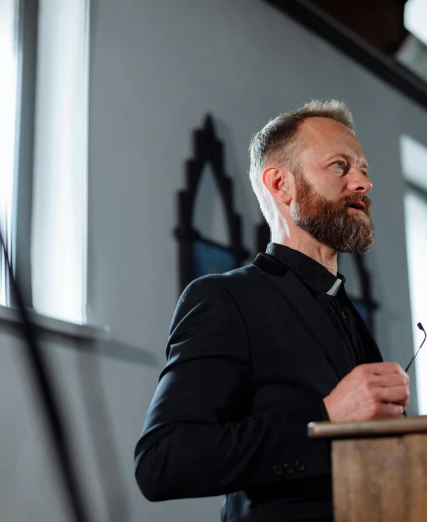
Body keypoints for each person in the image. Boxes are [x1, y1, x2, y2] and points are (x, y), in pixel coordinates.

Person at [134, 100, 410, 522]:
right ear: (281, 184)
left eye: (364, 170)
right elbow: (162, 462)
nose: (362, 183)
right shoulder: (226, 299)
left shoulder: (347, 313)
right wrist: (324, 418)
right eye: (340, 166)